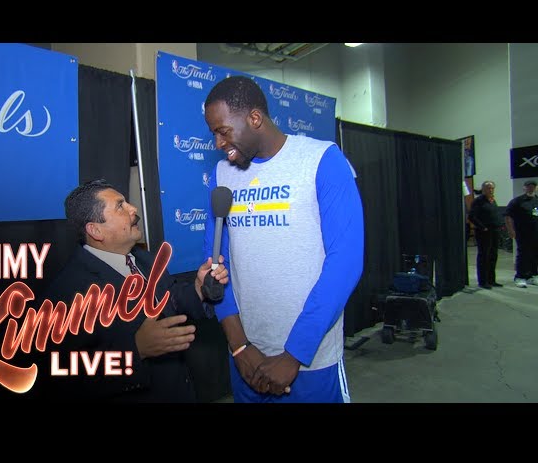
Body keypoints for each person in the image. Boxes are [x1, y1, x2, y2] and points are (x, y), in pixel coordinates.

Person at [202, 76, 364, 403]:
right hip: (246, 358)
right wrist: (239, 346)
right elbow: (216, 265)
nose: (218, 143)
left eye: (222, 131)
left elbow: (345, 264)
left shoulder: (322, 160)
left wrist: (294, 355)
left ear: (255, 118)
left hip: (309, 362)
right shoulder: (223, 176)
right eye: (213, 133)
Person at [35, 179, 228, 402]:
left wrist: (199, 289)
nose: (133, 209)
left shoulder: (147, 260)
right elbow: (61, 372)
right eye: (120, 206)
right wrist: (136, 350)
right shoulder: (68, 292)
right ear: (96, 230)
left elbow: (172, 301)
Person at [468, 180, 504, 289]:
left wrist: (500, 224)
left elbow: (495, 214)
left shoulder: (492, 200)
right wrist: (482, 227)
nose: (491, 190)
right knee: (484, 256)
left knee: (493, 255)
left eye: (492, 188)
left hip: (495, 231)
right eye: (488, 188)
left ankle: (491, 280)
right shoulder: (478, 201)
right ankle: (483, 281)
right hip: (484, 232)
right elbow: (472, 217)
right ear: (483, 189)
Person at [504, 180, 538, 288]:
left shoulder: (536, 200)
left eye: (533, 186)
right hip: (522, 233)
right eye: (528, 186)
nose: (531, 188)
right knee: (523, 255)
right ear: (524, 188)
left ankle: (532, 276)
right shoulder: (517, 201)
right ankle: (520, 277)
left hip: (535, 233)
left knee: (534, 255)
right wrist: (510, 230)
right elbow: (507, 216)